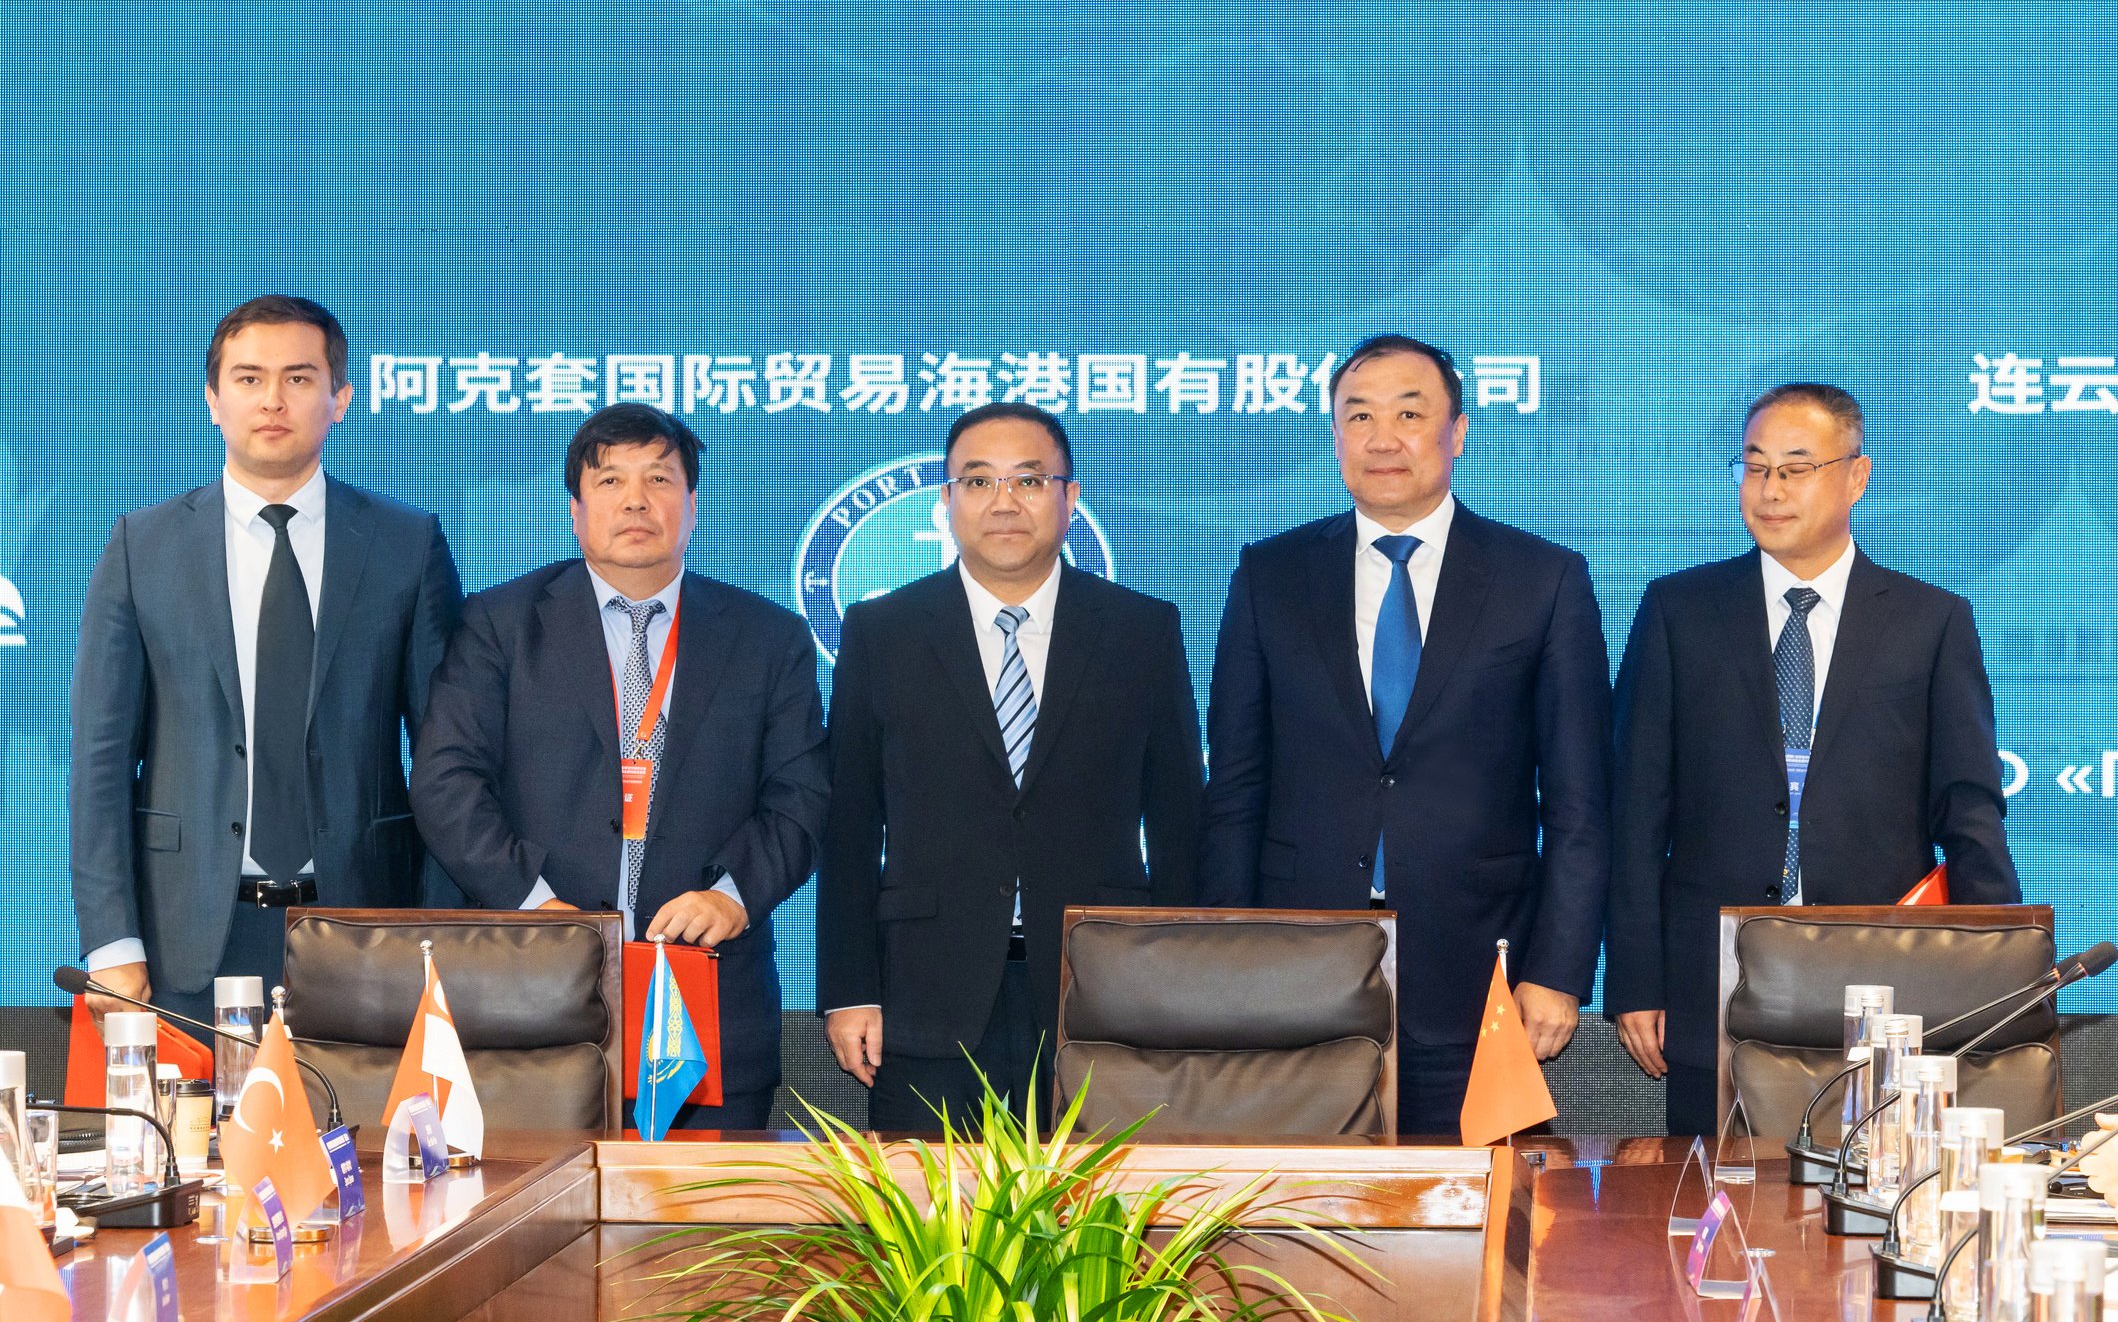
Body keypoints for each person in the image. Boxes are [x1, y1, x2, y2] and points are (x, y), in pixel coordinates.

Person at [1200, 333, 1610, 1135]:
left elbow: (1579, 802)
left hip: (1480, 974)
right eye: (1359, 416)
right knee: (1298, 1204)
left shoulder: (1541, 579)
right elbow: (1236, 790)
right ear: (1335, 438)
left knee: (1478, 1200)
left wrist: (1560, 970)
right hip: (1297, 974)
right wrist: (1225, 959)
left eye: (1409, 414)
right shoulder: (1270, 576)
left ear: (1458, 434)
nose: (1382, 438)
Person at [1604, 382, 2020, 1135]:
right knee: (1718, 1195)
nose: (1770, 490)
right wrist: (1635, 977)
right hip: (1714, 980)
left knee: (1879, 1190)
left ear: (1857, 477)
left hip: (1884, 981)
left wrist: (1996, 973)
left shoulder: (1929, 621)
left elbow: (1969, 813)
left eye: (1795, 468)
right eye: (1755, 466)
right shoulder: (1679, 611)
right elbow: (1635, 813)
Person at [411, 403, 827, 1129]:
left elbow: (802, 797)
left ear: (692, 505)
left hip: (708, 996)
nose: (636, 500)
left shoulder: (768, 637)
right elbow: (446, 780)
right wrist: (536, 907)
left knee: (702, 1205)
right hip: (534, 994)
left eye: (659, 479)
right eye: (610, 481)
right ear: (575, 512)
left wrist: (731, 895)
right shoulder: (500, 624)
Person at [70, 294, 463, 1023]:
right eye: (249, 378)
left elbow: (448, 759)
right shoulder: (142, 547)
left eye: (299, 378)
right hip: (184, 937)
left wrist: (436, 929)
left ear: (340, 399)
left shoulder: (405, 546)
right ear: (213, 400)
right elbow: (100, 760)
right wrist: (111, 940)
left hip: (368, 929)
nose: (273, 400)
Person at [816, 402, 1203, 1132]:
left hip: (1104, 991)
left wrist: (1181, 985)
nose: (1003, 502)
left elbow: (1180, 823)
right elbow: (849, 828)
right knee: (927, 1201)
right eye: (977, 481)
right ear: (946, 501)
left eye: (1028, 480)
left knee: (1104, 1204)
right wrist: (849, 989)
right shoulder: (883, 631)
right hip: (926, 992)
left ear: (1069, 497)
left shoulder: (1141, 630)